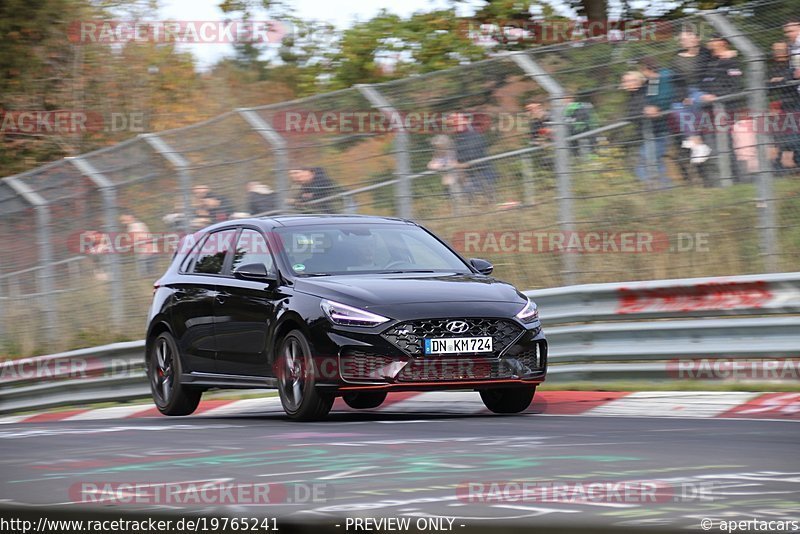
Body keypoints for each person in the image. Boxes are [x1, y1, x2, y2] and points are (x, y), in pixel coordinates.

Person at [700, 34, 751, 179]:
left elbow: (736, 86)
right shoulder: (711, 61)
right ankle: (722, 179)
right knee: (713, 144)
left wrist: (717, 96)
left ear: (723, 42)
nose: (709, 42)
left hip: (725, 109)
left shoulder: (731, 61)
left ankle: (737, 178)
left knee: (726, 144)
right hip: (709, 110)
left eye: (712, 39)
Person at [672, 26, 713, 167]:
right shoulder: (677, 59)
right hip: (686, 91)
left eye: (689, 37)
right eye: (683, 39)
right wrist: (683, 96)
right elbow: (677, 82)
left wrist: (731, 52)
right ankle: (697, 143)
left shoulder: (706, 53)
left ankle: (693, 141)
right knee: (677, 107)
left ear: (697, 38)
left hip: (702, 89)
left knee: (695, 102)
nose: (686, 41)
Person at [637, 57, 676, 187]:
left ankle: (659, 187)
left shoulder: (663, 78)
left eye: (641, 70)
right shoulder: (652, 82)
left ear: (645, 69)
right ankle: (662, 188)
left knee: (647, 159)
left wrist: (657, 107)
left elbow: (667, 96)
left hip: (662, 128)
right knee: (652, 159)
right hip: (654, 128)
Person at [448, 112, 499, 203]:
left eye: (456, 123)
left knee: (482, 200)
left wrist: (458, 165)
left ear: (465, 122)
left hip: (482, 174)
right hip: (471, 176)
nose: (454, 126)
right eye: (453, 124)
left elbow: (474, 158)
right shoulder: (459, 137)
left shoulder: (473, 136)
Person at [768, 41, 800, 170]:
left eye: (781, 49)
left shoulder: (792, 64)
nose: (778, 52)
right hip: (784, 105)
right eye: (776, 49)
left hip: (795, 101)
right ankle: (783, 167)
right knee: (785, 136)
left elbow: (792, 79)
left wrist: (781, 80)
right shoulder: (773, 67)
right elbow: (768, 86)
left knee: (793, 136)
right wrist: (783, 80)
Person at [426, 134, 464, 213]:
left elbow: (454, 164)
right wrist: (439, 166)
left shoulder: (451, 153)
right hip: (446, 182)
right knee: (449, 199)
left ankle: (459, 212)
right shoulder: (438, 156)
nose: (438, 149)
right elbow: (431, 165)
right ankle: (454, 212)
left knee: (458, 198)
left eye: (440, 146)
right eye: (437, 147)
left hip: (456, 180)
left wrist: (443, 166)